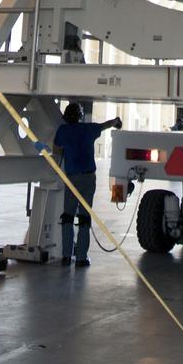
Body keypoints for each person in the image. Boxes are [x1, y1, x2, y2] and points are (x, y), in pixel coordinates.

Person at [53, 103, 122, 267]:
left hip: (71, 178)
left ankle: (66, 256)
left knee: (67, 216)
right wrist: (117, 121)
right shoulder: (89, 129)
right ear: (80, 116)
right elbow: (106, 125)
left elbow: (56, 151)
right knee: (84, 217)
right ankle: (82, 258)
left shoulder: (62, 130)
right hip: (88, 179)